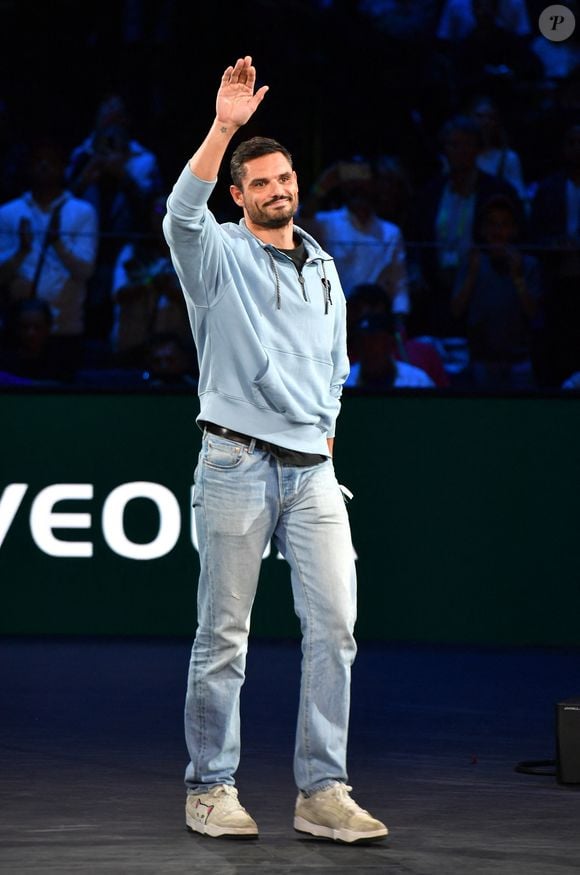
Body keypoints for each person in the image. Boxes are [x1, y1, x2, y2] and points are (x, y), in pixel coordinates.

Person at [163, 56, 387, 844]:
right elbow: (177, 216)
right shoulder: (216, 255)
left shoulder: (325, 265)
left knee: (336, 629)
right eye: (259, 182)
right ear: (239, 194)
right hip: (233, 462)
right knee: (224, 635)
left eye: (284, 177)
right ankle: (210, 787)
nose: (276, 189)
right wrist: (223, 126)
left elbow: (334, 364)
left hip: (314, 473)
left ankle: (322, 791)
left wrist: (322, 436)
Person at [0, 139, 98, 374]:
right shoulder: (7, 212)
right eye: (37, 161)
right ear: (28, 167)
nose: (44, 166)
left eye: (51, 161)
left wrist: (58, 242)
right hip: (18, 330)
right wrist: (22, 250)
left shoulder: (82, 211)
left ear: (63, 167)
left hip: (65, 329)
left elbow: (85, 271)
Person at [451, 195, 541, 390]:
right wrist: (472, 275)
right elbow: (456, 310)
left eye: (504, 224)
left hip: (519, 363)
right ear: (483, 230)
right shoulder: (472, 263)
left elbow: (533, 313)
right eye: (492, 224)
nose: (498, 231)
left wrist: (518, 278)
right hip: (482, 361)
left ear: (514, 230)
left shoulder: (528, 265)